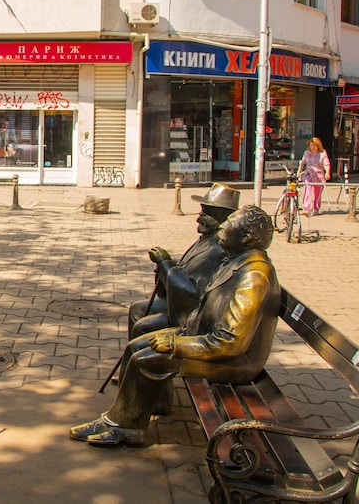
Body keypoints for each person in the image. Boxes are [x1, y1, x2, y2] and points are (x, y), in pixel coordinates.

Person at [70, 205, 281, 446]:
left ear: (245, 238)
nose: (222, 226)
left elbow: (229, 342)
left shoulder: (253, 277)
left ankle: (125, 428)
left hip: (234, 361)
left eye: (229, 224)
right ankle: (122, 416)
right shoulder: (237, 260)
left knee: (146, 359)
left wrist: (176, 343)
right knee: (137, 345)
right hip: (206, 337)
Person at [128, 183, 239, 340]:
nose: (198, 217)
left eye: (206, 213)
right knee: (137, 310)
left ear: (222, 217)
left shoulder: (218, 250)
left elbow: (191, 294)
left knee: (143, 327)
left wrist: (165, 264)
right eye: (201, 211)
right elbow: (184, 272)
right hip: (183, 304)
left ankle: (145, 361)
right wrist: (166, 264)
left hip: (196, 314)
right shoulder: (207, 239)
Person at [297, 137, 330, 216]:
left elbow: (326, 164)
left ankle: (316, 207)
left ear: (318, 146)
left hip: (318, 174)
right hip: (308, 173)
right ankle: (306, 208)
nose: (313, 147)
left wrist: (327, 172)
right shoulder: (307, 153)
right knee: (307, 187)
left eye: (315, 145)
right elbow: (302, 163)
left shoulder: (322, 153)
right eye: (311, 145)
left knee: (317, 193)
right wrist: (299, 172)